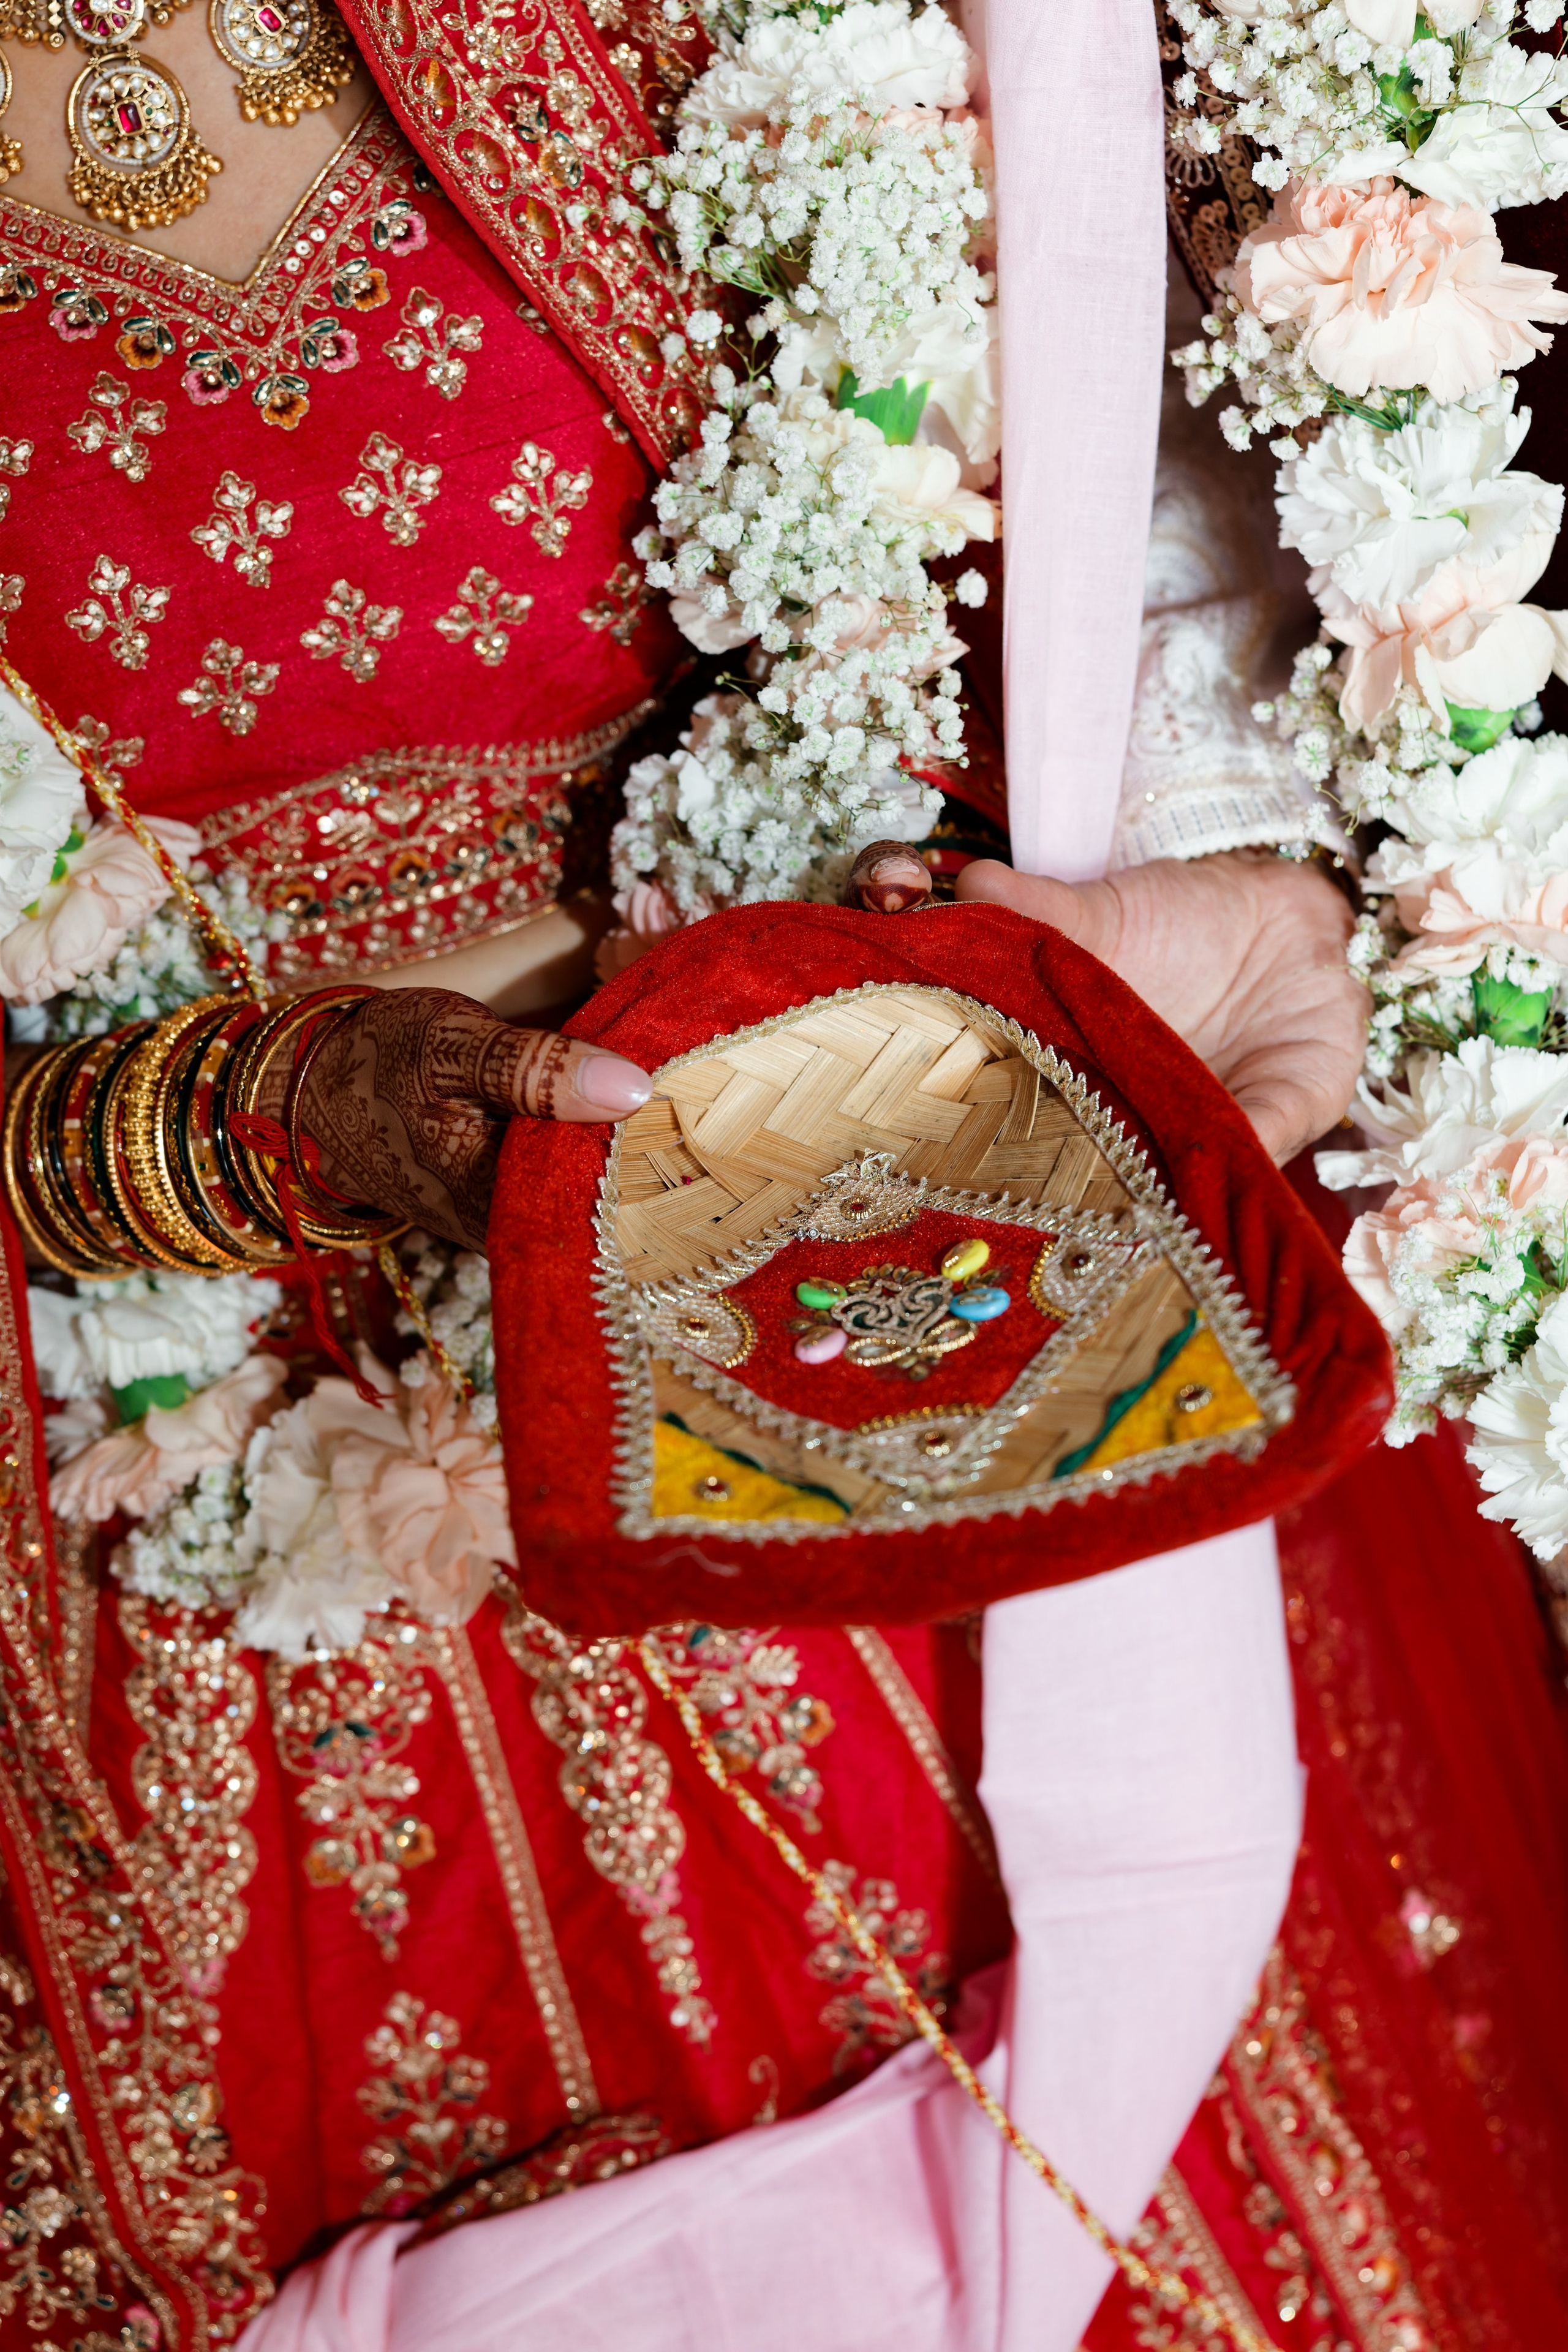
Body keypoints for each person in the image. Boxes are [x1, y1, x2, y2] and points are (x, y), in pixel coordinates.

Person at [0, 3, 1565, 2351]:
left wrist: (1259, 885)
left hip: (939, 1307)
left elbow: (1135, 490)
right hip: (230, 1543)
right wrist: (213, 1130)